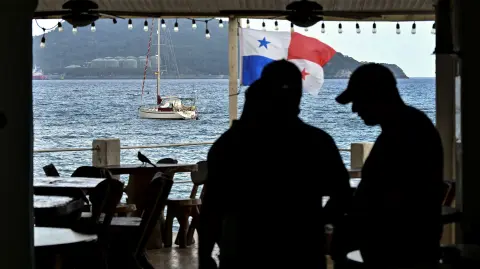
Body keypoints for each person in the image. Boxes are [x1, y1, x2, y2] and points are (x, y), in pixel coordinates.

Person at [199, 60, 352, 269]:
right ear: (298, 95)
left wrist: (204, 255)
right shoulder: (317, 142)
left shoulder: (231, 144)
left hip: (244, 253)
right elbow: (343, 194)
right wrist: (318, 224)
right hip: (302, 253)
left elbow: (212, 207)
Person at [332, 63, 444, 268]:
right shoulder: (410, 126)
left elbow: (390, 206)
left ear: (376, 95)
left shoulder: (404, 134)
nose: (355, 109)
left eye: (358, 100)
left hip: (397, 255)